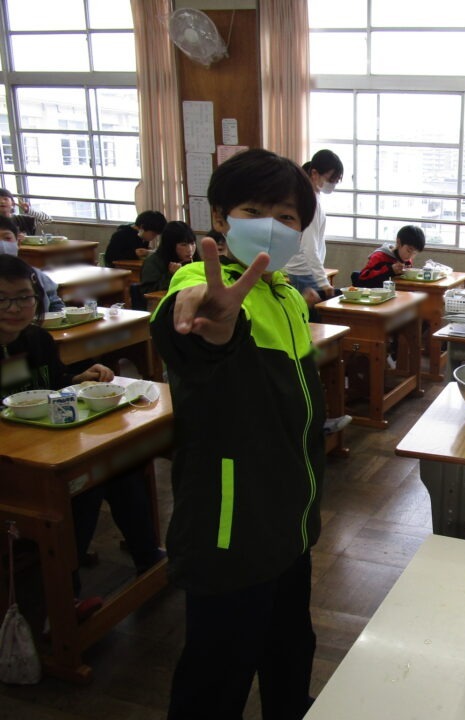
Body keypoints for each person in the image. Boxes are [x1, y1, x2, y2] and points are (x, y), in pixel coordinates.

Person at [151, 148, 324, 718]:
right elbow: (191, 326)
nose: (271, 226)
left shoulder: (288, 296)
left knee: (289, 650)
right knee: (216, 676)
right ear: (221, 219)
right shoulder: (207, 283)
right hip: (229, 531)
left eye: (287, 216)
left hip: (289, 521)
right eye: (253, 210)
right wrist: (211, 327)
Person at [0, 254, 165, 616]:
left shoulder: (36, 340)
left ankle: (148, 558)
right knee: (83, 487)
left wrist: (78, 378)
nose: (15, 308)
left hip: (48, 448)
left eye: (24, 297)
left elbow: (48, 385)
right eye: (3, 299)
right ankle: (62, 599)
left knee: (120, 467)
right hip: (12, 466)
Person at [283, 150, 343, 319]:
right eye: (331, 179)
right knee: (310, 323)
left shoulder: (312, 197)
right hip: (304, 272)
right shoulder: (309, 202)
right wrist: (323, 282)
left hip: (304, 271)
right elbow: (309, 247)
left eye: (336, 181)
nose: (332, 185)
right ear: (315, 173)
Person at [0, 216, 64, 313]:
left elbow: (55, 304)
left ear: (18, 243)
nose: (2, 244)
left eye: (7, 238)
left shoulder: (36, 275)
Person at [352, 224, 424, 288]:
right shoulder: (379, 256)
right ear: (398, 242)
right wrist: (390, 270)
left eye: (415, 253)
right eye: (409, 250)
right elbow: (362, 280)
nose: (411, 256)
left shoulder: (407, 260)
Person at [139, 221, 198, 295]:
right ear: (170, 245)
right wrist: (171, 275)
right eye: (183, 245)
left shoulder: (194, 260)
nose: (190, 249)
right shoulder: (153, 262)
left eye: (192, 244)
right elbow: (147, 291)